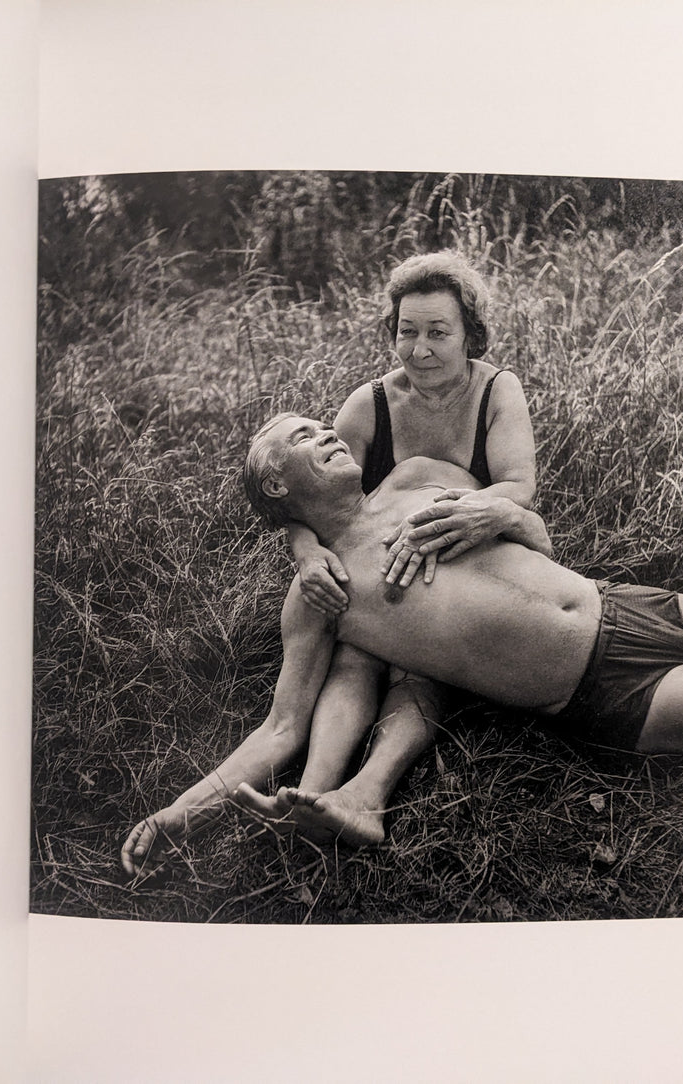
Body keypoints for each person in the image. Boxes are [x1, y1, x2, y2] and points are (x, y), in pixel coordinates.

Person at [120, 415, 683, 874]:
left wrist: (504, 516)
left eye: (322, 426)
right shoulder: (323, 592)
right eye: (304, 438)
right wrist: (180, 812)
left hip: (631, 603)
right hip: (606, 691)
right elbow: (281, 728)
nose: (329, 434)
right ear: (278, 488)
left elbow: (533, 528)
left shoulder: (420, 478)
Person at [274, 252, 543, 843]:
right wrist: (306, 553)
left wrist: (440, 520)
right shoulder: (368, 404)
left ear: (470, 332)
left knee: (417, 665)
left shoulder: (499, 390)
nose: (420, 349)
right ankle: (313, 794)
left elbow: (517, 487)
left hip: (463, 553)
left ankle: (371, 789)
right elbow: (305, 502)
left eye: (438, 333)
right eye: (407, 331)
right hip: (381, 567)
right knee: (355, 658)